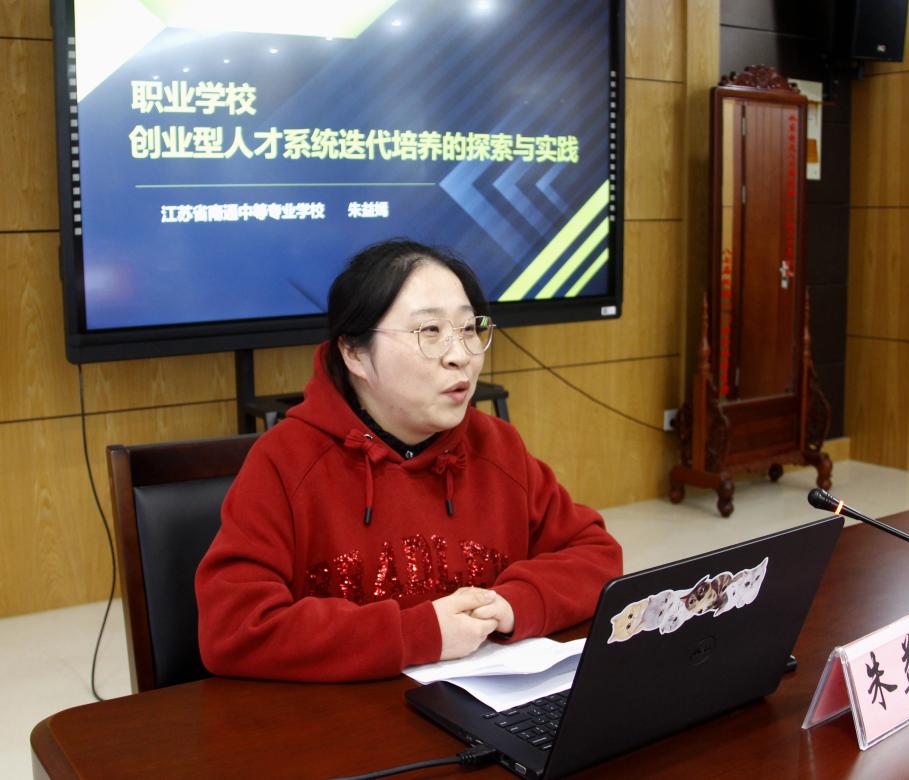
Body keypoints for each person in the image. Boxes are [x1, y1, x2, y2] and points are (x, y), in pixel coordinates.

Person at [195, 238, 623, 682]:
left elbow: (597, 555)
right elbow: (234, 629)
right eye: (430, 332)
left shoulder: (497, 447)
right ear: (354, 352)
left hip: (482, 704)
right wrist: (418, 633)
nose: (460, 356)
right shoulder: (285, 461)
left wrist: (517, 602)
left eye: (468, 329)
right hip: (343, 715)